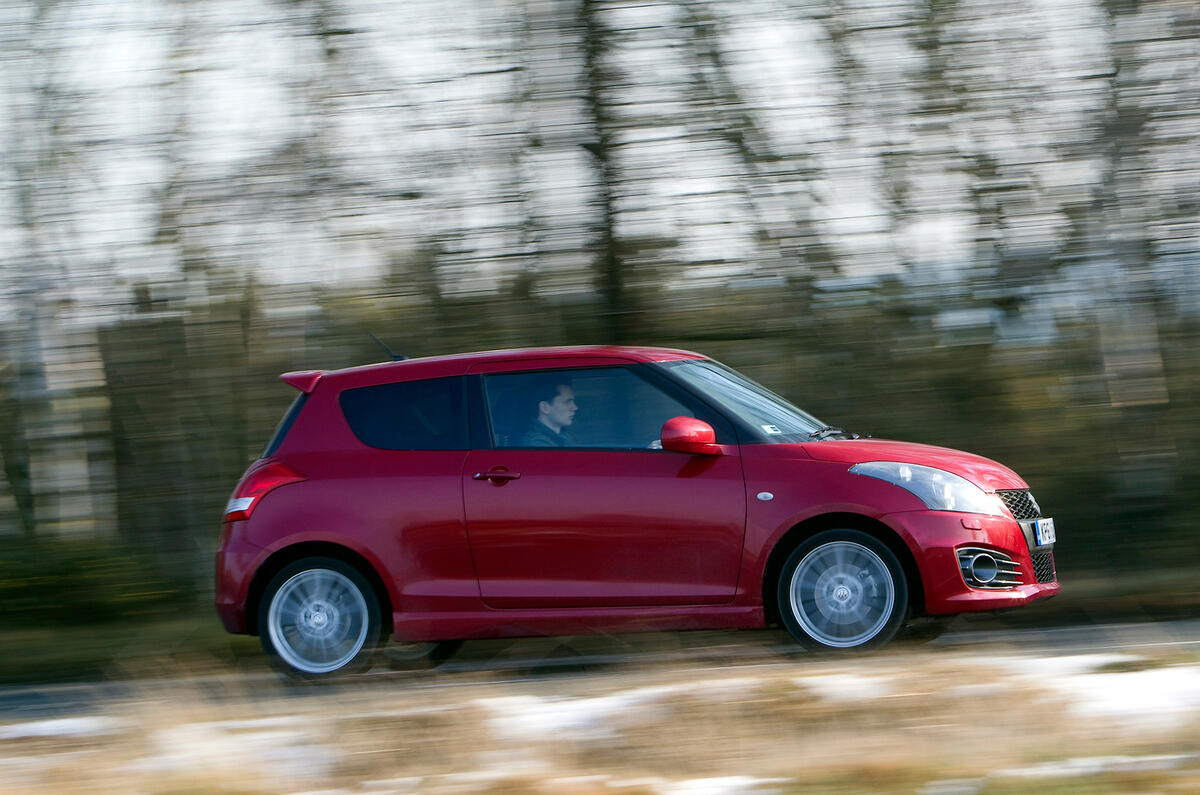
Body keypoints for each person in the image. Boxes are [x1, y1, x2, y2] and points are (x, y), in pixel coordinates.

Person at [520, 376, 577, 447]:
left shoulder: (562, 437)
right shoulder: (537, 444)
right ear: (545, 407)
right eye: (567, 402)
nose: (575, 407)